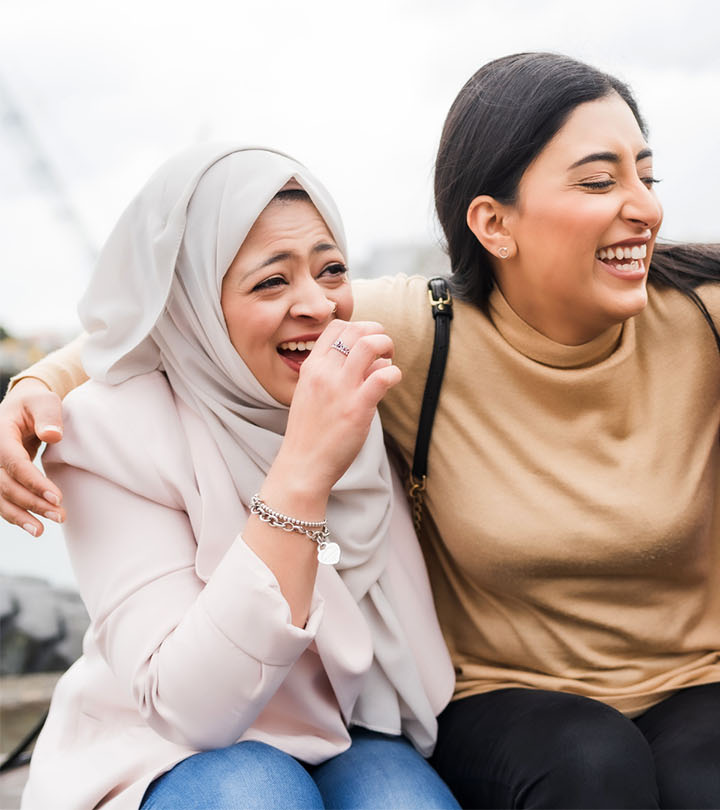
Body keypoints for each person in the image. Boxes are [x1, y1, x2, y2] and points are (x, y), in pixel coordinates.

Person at [1, 53, 720, 809]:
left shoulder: (709, 306)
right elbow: (205, 313)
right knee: (587, 779)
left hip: (708, 676)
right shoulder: (412, 327)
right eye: (600, 179)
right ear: (491, 222)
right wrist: (36, 385)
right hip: (507, 691)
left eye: (647, 171)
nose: (644, 203)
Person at [17, 145, 457, 809]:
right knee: (258, 796)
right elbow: (189, 710)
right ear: (191, 302)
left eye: (332, 269)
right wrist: (303, 472)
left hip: (342, 728)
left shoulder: (359, 385)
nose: (319, 305)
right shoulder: (105, 434)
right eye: (271, 282)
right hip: (160, 745)